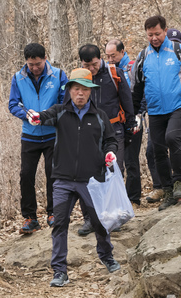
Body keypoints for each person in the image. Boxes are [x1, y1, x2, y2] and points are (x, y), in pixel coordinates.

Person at [26, 68, 120, 287]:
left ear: (90, 92)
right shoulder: (59, 111)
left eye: (85, 90)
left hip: (93, 180)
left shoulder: (100, 115)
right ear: (69, 90)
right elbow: (44, 116)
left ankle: (106, 256)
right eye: (76, 89)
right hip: (63, 179)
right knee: (59, 223)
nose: (80, 94)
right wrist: (36, 117)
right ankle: (60, 271)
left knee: (99, 222)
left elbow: (111, 140)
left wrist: (110, 152)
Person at [131, 16, 181, 211]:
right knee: (157, 149)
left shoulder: (178, 50)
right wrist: (135, 113)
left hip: (178, 105)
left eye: (157, 34)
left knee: (173, 137)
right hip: (154, 110)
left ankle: (180, 182)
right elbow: (136, 86)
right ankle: (168, 189)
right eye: (150, 35)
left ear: (165, 30)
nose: (154, 38)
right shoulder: (143, 56)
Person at [74, 44, 136, 235]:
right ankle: (90, 219)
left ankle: (114, 214)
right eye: (87, 65)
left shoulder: (113, 73)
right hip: (88, 133)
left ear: (99, 59)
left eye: (93, 64)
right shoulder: (80, 78)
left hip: (114, 130)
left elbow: (126, 100)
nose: (91, 69)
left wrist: (130, 126)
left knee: (114, 171)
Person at [8, 43, 68, 234]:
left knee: (53, 173)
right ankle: (30, 218)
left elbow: (64, 102)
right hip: (30, 135)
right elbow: (13, 104)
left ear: (45, 59)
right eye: (31, 64)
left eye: (38, 64)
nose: (35, 68)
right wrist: (26, 114)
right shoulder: (18, 78)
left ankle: (54, 213)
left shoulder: (58, 75)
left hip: (53, 133)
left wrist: (47, 115)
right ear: (26, 61)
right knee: (26, 175)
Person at [105, 39, 142, 207]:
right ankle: (119, 198)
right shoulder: (108, 71)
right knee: (116, 162)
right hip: (115, 121)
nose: (110, 59)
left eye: (113, 55)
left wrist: (139, 114)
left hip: (133, 117)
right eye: (107, 56)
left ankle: (133, 197)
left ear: (122, 52)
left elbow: (142, 91)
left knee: (131, 159)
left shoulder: (132, 67)